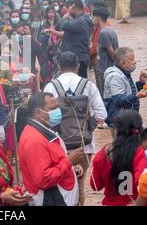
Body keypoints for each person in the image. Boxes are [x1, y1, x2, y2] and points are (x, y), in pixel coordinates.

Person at [43, 51, 107, 205]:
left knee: (61, 183)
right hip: (84, 145)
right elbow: (102, 115)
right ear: (77, 66)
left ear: (59, 66)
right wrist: (88, 127)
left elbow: (44, 117)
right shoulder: (88, 85)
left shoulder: (50, 86)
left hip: (58, 145)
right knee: (79, 184)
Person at [18, 92, 83, 206]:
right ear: (38, 112)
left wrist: (71, 167)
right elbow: (43, 179)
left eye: (58, 107)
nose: (58, 111)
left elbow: (53, 161)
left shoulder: (44, 130)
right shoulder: (34, 140)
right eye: (53, 108)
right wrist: (69, 161)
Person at [90, 109, 147, 206]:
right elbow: (146, 183)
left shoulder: (104, 153)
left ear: (117, 129)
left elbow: (96, 185)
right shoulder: (144, 152)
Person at [104, 47, 147, 131]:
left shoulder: (124, 73)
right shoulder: (115, 77)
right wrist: (136, 96)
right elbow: (118, 100)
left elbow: (129, 91)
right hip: (120, 120)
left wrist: (140, 83)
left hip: (127, 117)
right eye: (132, 59)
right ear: (123, 63)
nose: (135, 62)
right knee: (123, 142)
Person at [59, 0, 93, 78]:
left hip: (78, 58)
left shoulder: (81, 21)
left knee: (78, 86)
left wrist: (67, 14)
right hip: (77, 57)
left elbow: (63, 25)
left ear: (73, 8)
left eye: (69, 8)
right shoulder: (81, 19)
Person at [94, 7, 119, 97]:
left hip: (105, 68)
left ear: (98, 18)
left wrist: (117, 64)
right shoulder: (110, 30)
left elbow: (111, 51)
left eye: (94, 17)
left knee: (104, 95)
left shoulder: (103, 33)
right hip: (109, 67)